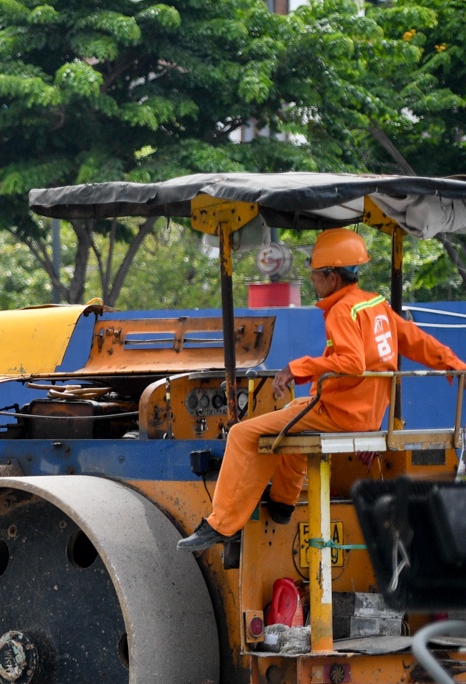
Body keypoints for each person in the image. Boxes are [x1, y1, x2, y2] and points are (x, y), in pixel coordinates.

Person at [179, 228, 465, 551]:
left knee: (243, 435)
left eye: (315, 274)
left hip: (340, 414)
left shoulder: (342, 311)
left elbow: (352, 362)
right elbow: (414, 338)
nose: (312, 280)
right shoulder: (374, 305)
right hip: (365, 412)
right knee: (290, 415)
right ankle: (283, 503)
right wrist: (451, 361)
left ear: (331, 276)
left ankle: (222, 524)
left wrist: (297, 368)